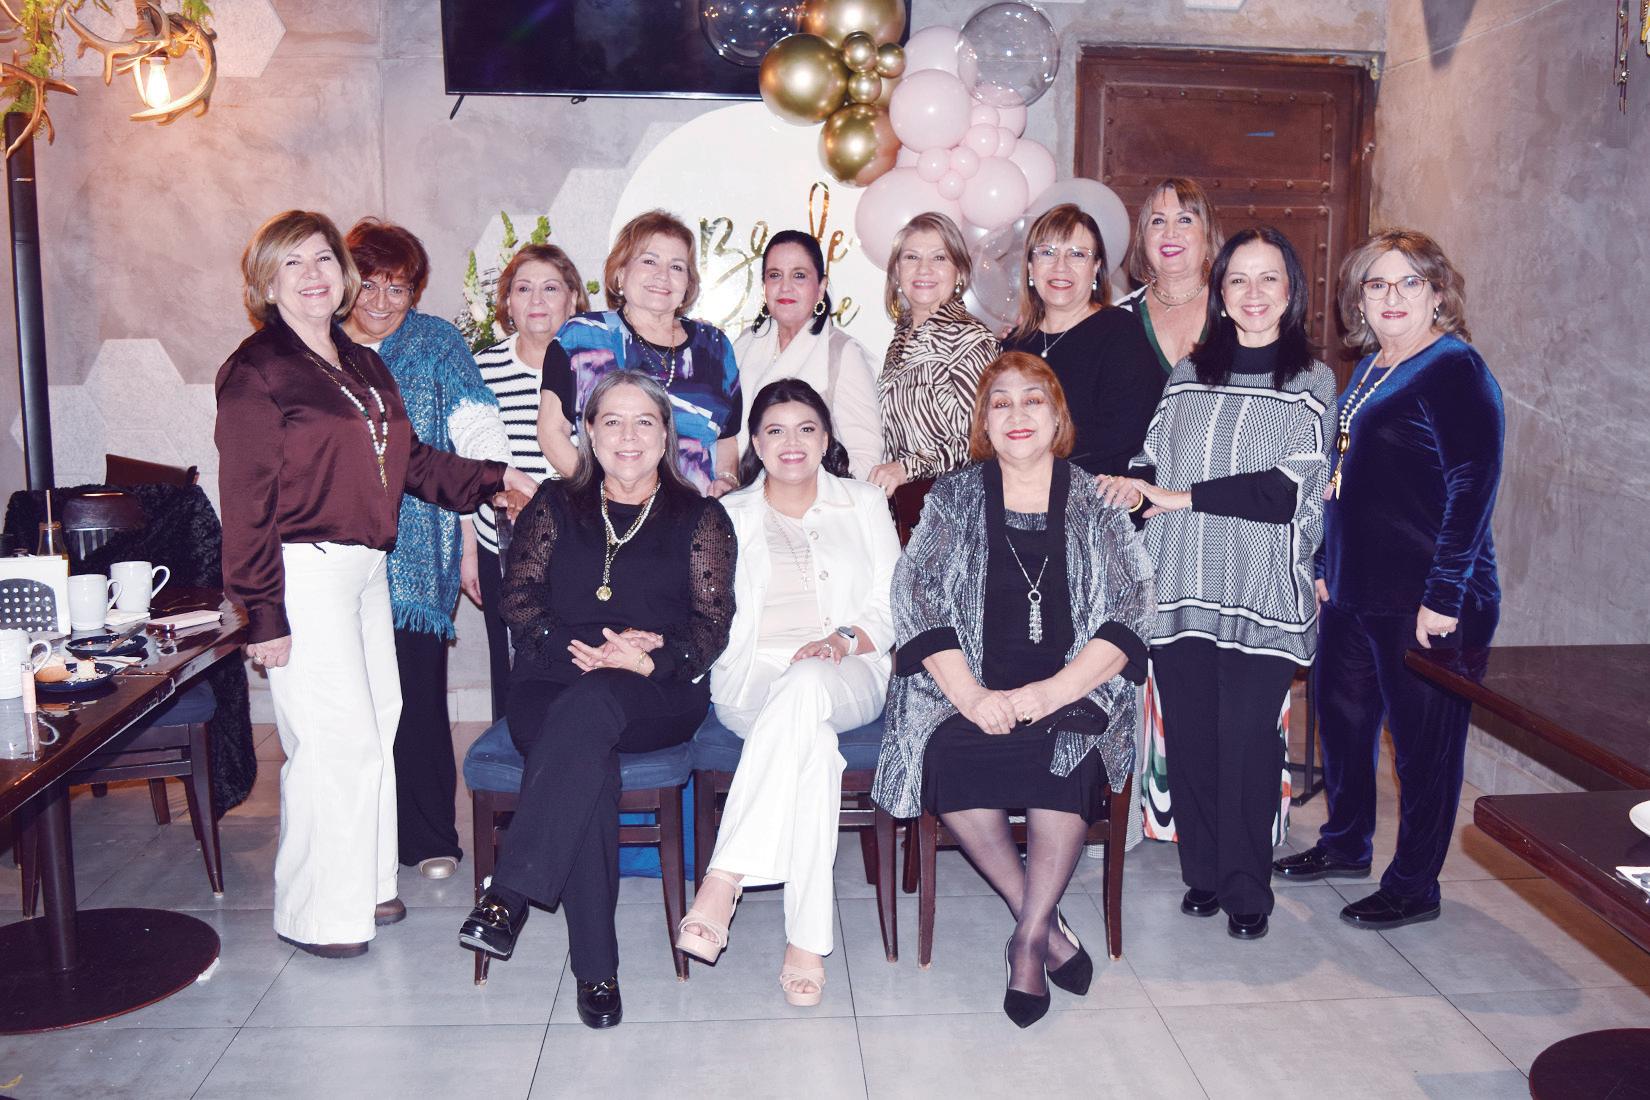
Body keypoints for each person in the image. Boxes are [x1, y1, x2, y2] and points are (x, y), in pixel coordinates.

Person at [217, 210, 534, 958]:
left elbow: (412, 463)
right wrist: (263, 614)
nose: (314, 275)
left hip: (365, 569)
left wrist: (496, 478)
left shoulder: (358, 363)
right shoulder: (257, 369)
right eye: (293, 263)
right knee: (335, 741)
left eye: (323, 259)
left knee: (381, 719)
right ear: (266, 282)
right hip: (303, 571)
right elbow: (246, 502)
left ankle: (366, 881)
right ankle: (317, 914)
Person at [873, 351, 1153, 1028]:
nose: (1017, 414)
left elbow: (1131, 607)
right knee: (949, 755)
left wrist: (1053, 692)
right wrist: (972, 697)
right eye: (1001, 402)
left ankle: (1027, 940)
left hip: (1074, 692)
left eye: (1033, 400)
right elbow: (916, 598)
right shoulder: (953, 498)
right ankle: (1045, 925)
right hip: (968, 691)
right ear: (985, 422)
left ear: (1057, 417)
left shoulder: (1096, 499)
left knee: (1070, 756)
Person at [459, 370, 736, 1030]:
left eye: (644, 421)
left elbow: (712, 624)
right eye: (612, 421)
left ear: (666, 435)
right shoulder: (554, 505)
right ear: (588, 432)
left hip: (656, 689)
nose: (628, 436)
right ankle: (597, 971)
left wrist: (650, 658)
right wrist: (573, 649)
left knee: (591, 712)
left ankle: (509, 893)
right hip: (552, 678)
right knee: (585, 754)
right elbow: (519, 600)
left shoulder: (700, 516)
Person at [1099, 227, 1337, 940]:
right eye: (1239, 279)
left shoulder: (1312, 381)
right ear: (1220, 293)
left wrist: (1179, 497)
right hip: (1180, 584)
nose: (1253, 293)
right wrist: (1133, 486)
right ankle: (1202, 872)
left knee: (1247, 742)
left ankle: (1246, 886)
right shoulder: (1187, 373)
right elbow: (1151, 455)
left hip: (1262, 592)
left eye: (1269, 279)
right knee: (1194, 738)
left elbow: (1287, 489)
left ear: (1291, 291)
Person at [1272, 230, 1503, 931]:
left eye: (1409, 282)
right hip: (1354, 590)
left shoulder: (1454, 367)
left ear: (1437, 293)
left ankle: (1414, 884)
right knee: (1344, 728)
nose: (1392, 297)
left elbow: (1473, 486)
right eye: (1377, 284)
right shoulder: (1374, 365)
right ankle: (1346, 844)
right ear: (1359, 299)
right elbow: (1346, 478)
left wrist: (1444, 596)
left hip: (1428, 599)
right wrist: (1324, 567)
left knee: (1425, 749)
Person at [678, 378, 900, 1007]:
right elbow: (704, 611)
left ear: (826, 439)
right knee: (814, 753)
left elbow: (892, 603)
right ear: (755, 442)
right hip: (752, 679)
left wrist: (840, 640)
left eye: (806, 428)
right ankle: (806, 942)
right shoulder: (728, 513)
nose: (791, 442)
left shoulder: (864, 503)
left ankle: (724, 878)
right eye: (775, 431)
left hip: (849, 666)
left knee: (806, 682)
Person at [339, 218, 513, 884]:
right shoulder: (319, 345)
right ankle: (361, 838)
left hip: (417, 550)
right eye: (369, 285)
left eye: (398, 288)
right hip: (334, 551)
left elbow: (475, 427)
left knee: (415, 695)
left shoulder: (437, 341)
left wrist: (489, 498)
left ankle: (429, 834)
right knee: (349, 703)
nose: (382, 302)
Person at [537, 209, 742, 497]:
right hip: (605, 512)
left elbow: (727, 436)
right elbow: (551, 432)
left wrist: (727, 478)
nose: (662, 276)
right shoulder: (581, 337)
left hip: (694, 512)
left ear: (688, 283)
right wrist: (604, 497)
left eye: (677, 267)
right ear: (621, 273)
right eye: (649, 261)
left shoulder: (715, 346)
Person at [467, 243, 590, 719]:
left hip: (580, 542)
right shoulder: (481, 370)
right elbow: (464, 465)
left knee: (575, 656)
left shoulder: (594, 367)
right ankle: (510, 749)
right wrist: (468, 553)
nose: (536, 300)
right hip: (500, 544)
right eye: (523, 289)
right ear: (508, 303)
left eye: (551, 288)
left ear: (572, 299)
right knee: (511, 661)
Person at [1002, 203, 1161, 477]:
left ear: (1096, 268)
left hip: (1095, 491)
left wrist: (1034, 453)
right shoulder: (1012, 346)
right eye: (1047, 253)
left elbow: (1124, 430)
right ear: (1030, 267)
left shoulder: (1121, 332)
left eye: (1077, 254)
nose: (1060, 266)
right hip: (1020, 488)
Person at [867, 212, 998, 499]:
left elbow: (985, 438)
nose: (923, 269)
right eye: (911, 257)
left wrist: (907, 468)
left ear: (959, 272)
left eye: (939, 258)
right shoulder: (900, 338)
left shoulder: (970, 338)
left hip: (960, 506)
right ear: (897, 271)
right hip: (910, 507)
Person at [732, 230, 882, 479]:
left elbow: (865, 457)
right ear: (764, 286)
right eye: (775, 275)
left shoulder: (842, 352)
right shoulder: (744, 344)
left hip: (819, 499)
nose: (785, 286)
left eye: (799, 275)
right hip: (744, 495)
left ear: (821, 288)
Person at [1113, 178, 1225, 377]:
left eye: (1184, 220)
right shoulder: (1119, 318)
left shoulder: (1233, 311)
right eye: (1158, 221)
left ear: (1207, 235)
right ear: (1143, 239)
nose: (1170, 233)